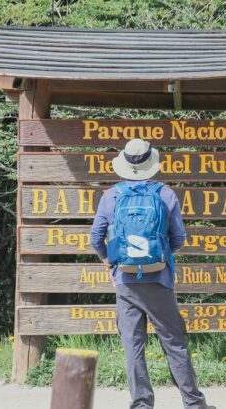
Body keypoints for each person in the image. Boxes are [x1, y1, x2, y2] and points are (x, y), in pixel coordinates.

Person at [90, 139, 215, 409]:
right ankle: (194, 404)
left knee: (133, 346)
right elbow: (179, 238)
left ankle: (142, 405)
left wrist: (110, 262)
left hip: (125, 281)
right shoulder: (165, 194)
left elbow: (96, 237)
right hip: (159, 279)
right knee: (174, 342)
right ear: (151, 164)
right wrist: (159, 253)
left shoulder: (111, 195)